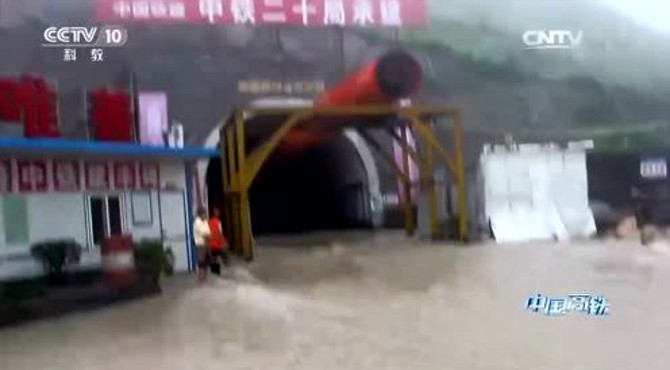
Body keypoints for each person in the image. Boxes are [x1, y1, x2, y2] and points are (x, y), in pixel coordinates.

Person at [209, 207, 230, 275]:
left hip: (211, 242)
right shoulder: (218, 222)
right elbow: (220, 233)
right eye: (217, 212)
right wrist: (223, 241)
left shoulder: (210, 221)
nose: (218, 213)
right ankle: (217, 271)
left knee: (213, 257)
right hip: (217, 243)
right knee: (218, 257)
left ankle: (213, 270)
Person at [193, 207, 211, 284]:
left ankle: (204, 278)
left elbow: (208, 232)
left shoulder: (204, 221)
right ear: (200, 214)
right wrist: (210, 236)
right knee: (201, 261)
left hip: (206, 244)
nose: (205, 215)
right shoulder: (198, 222)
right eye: (204, 213)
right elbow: (205, 234)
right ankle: (200, 278)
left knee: (206, 261)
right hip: (201, 245)